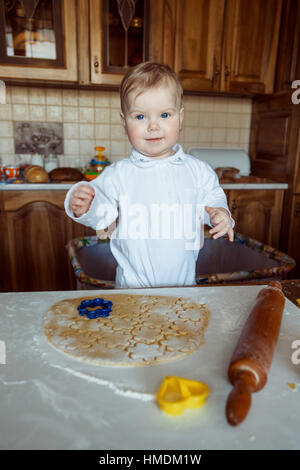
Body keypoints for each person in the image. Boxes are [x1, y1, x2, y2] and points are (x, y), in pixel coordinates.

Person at [65, 62, 234, 288]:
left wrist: (221, 214)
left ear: (180, 118)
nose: (153, 126)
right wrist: (84, 206)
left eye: (164, 114)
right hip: (131, 290)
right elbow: (102, 216)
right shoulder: (118, 175)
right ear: (125, 122)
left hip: (183, 290)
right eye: (140, 117)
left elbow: (212, 200)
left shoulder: (197, 171)